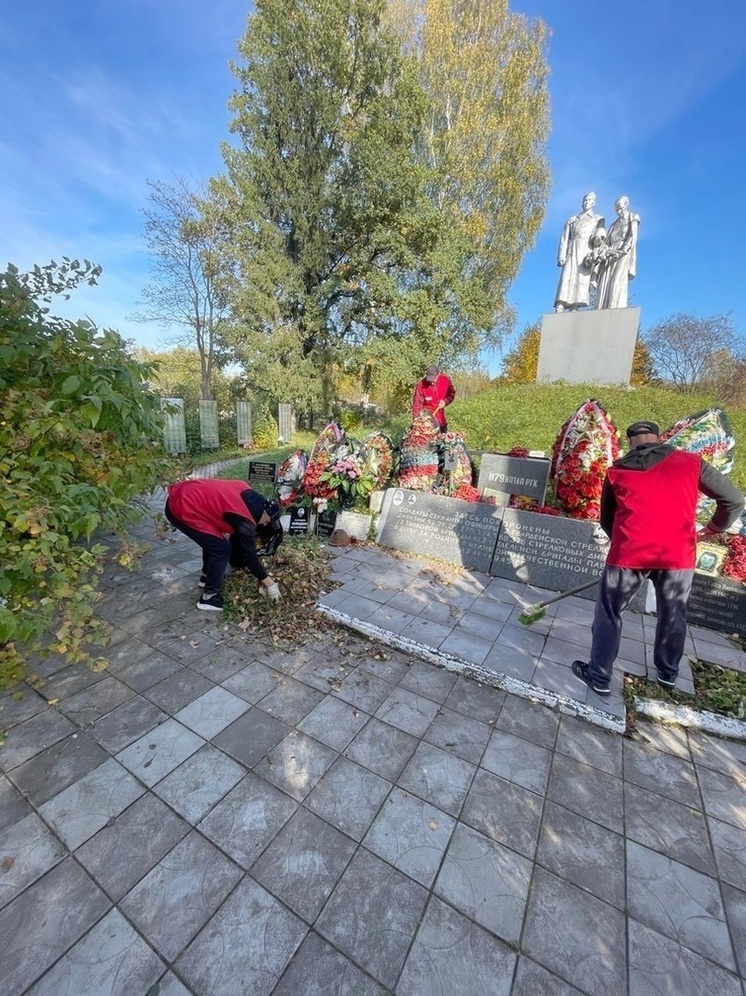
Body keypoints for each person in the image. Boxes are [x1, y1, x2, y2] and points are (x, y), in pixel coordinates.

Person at [572, 421, 744, 696]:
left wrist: (625, 542)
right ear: (658, 438)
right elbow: (734, 499)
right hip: (677, 554)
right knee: (673, 613)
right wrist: (714, 528)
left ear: (631, 443)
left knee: (609, 612)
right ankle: (667, 673)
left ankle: (599, 677)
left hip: (629, 553)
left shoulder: (617, 471)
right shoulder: (691, 462)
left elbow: (607, 519)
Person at [165, 478, 283, 611]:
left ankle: (206, 577)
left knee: (214, 539)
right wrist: (270, 583)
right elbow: (250, 556)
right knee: (220, 548)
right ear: (264, 512)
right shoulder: (244, 520)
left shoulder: (244, 488)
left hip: (185, 494)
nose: (265, 524)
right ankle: (208, 598)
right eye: (267, 521)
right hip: (181, 507)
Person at [554, 192, 605, 312]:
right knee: (567, 276)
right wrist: (561, 256)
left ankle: (575, 306)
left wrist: (597, 245)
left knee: (581, 278)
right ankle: (560, 303)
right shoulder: (572, 220)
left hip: (586, 252)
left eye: (589, 200)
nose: (587, 202)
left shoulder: (598, 219)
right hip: (572, 250)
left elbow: (600, 238)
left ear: (593, 203)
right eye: (585, 200)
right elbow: (564, 239)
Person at [595, 195, 640, 309]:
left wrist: (624, 249)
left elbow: (632, 236)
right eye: (616, 209)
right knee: (604, 283)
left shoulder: (633, 217)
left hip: (623, 253)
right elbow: (607, 241)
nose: (619, 211)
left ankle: (615, 307)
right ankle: (603, 307)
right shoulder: (614, 224)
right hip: (610, 254)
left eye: (620, 207)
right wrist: (602, 251)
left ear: (626, 205)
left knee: (616, 281)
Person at [412, 365, 456, 432]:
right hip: (427, 423)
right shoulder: (421, 385)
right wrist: (418, 422)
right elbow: (417, 406)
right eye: (429, 379)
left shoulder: (445, 380)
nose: (431, 382)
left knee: (442, 440)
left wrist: (445, 401)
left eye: (433, 379)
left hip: (441, 420)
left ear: (438, 375)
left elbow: (451, 394)